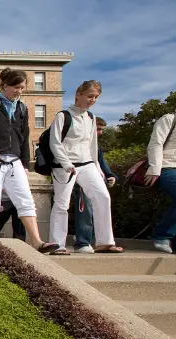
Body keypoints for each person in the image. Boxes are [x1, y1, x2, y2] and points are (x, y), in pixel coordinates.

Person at [0, 67, 58, 253]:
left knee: (26, 201)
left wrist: (25, 163)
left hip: (15, 161)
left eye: (22, 87)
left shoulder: (22, 108)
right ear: (5, 85)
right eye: (16, 87)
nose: (19, 91)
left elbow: (24, 137)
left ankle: (37, 242)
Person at [48, 80, 122, 255]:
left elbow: (92, 146)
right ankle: (57, 244)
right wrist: (66, 164)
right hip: (64, 166)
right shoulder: (62, 116)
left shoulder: (91, 117)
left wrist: (98, 170)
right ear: (78, 94)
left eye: (96, 97)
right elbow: (55, 143)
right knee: (62, 204)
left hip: (87, 164)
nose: (92, 100)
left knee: (103, 196)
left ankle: (105, 242)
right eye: (90, 96)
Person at [72, 117, 118, 253]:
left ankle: (103, 241)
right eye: (98, 129)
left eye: (102, 130)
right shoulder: (79, 144)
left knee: (101, 206)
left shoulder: (96, 147)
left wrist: (110, 175)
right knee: (85, 210)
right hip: (81, 180)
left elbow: (102, 164)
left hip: (97, 180)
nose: (100, 133)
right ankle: (82, 242)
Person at [145, 97, 176, 253]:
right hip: (168, 166)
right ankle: (162, 236)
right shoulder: (170, 118)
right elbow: (156, 143)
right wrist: (154, 168)